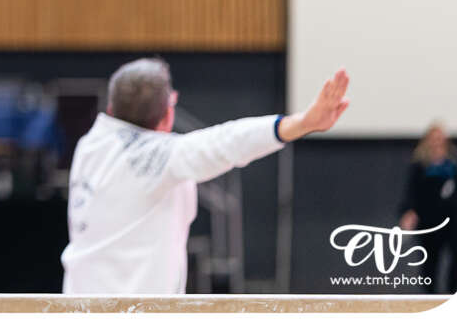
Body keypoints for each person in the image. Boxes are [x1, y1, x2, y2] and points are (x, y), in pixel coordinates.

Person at [61, 59, 351, 295]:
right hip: (135, 316)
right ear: (168, 115)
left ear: (111, 109)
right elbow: (226, 143)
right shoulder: (159, 158)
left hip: (76, 309)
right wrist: (301, 123)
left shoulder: (89, 145)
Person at [398, 122, 457, 293]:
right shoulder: (420, 164)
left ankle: (451, 290)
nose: (437, 142)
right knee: (430, 259)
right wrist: (409, 212)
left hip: (451, 218)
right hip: (428, 219)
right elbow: (412, 191)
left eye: (441, 139)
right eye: (434, 139)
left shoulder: (454, 164)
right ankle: (430, 296)